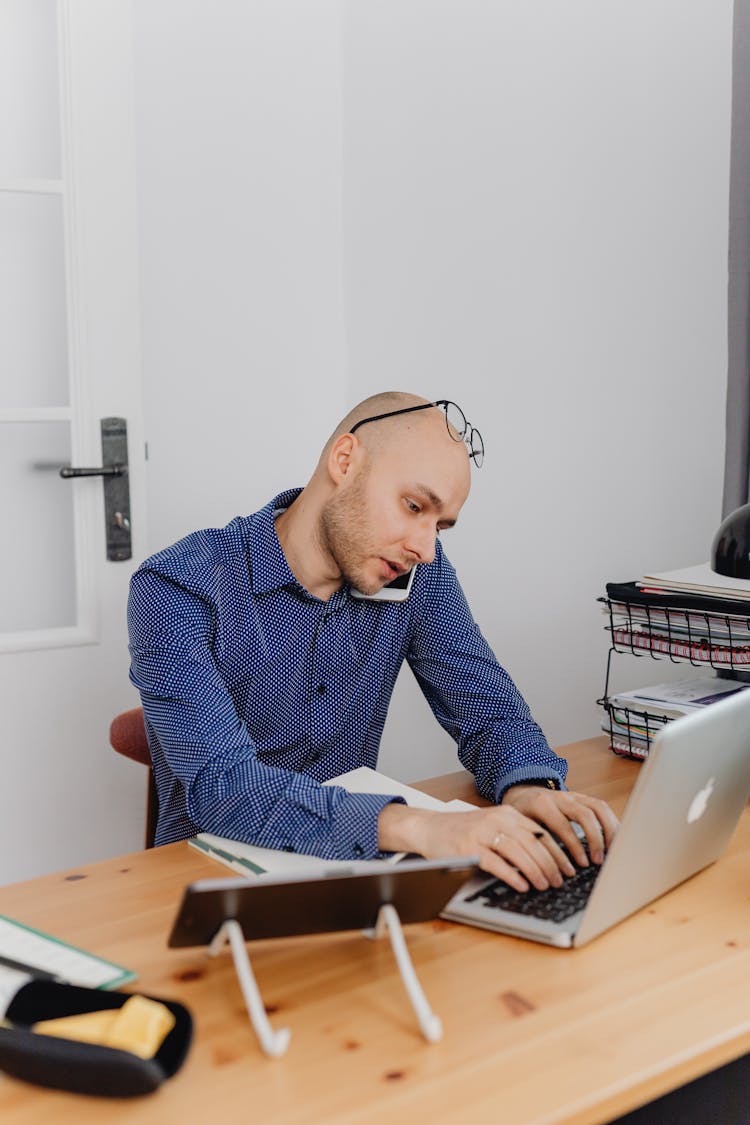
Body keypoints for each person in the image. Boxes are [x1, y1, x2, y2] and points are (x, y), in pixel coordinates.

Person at [128, 392, 617, 894]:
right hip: (210, 883)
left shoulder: (415, 575)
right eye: (413, 506)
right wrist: (425, 828)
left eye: (440, 526)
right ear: (345, 461)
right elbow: (224, 789)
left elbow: (487, 708)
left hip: (353, 881)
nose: (424, 549)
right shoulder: (177, 587)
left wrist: (526, 787)